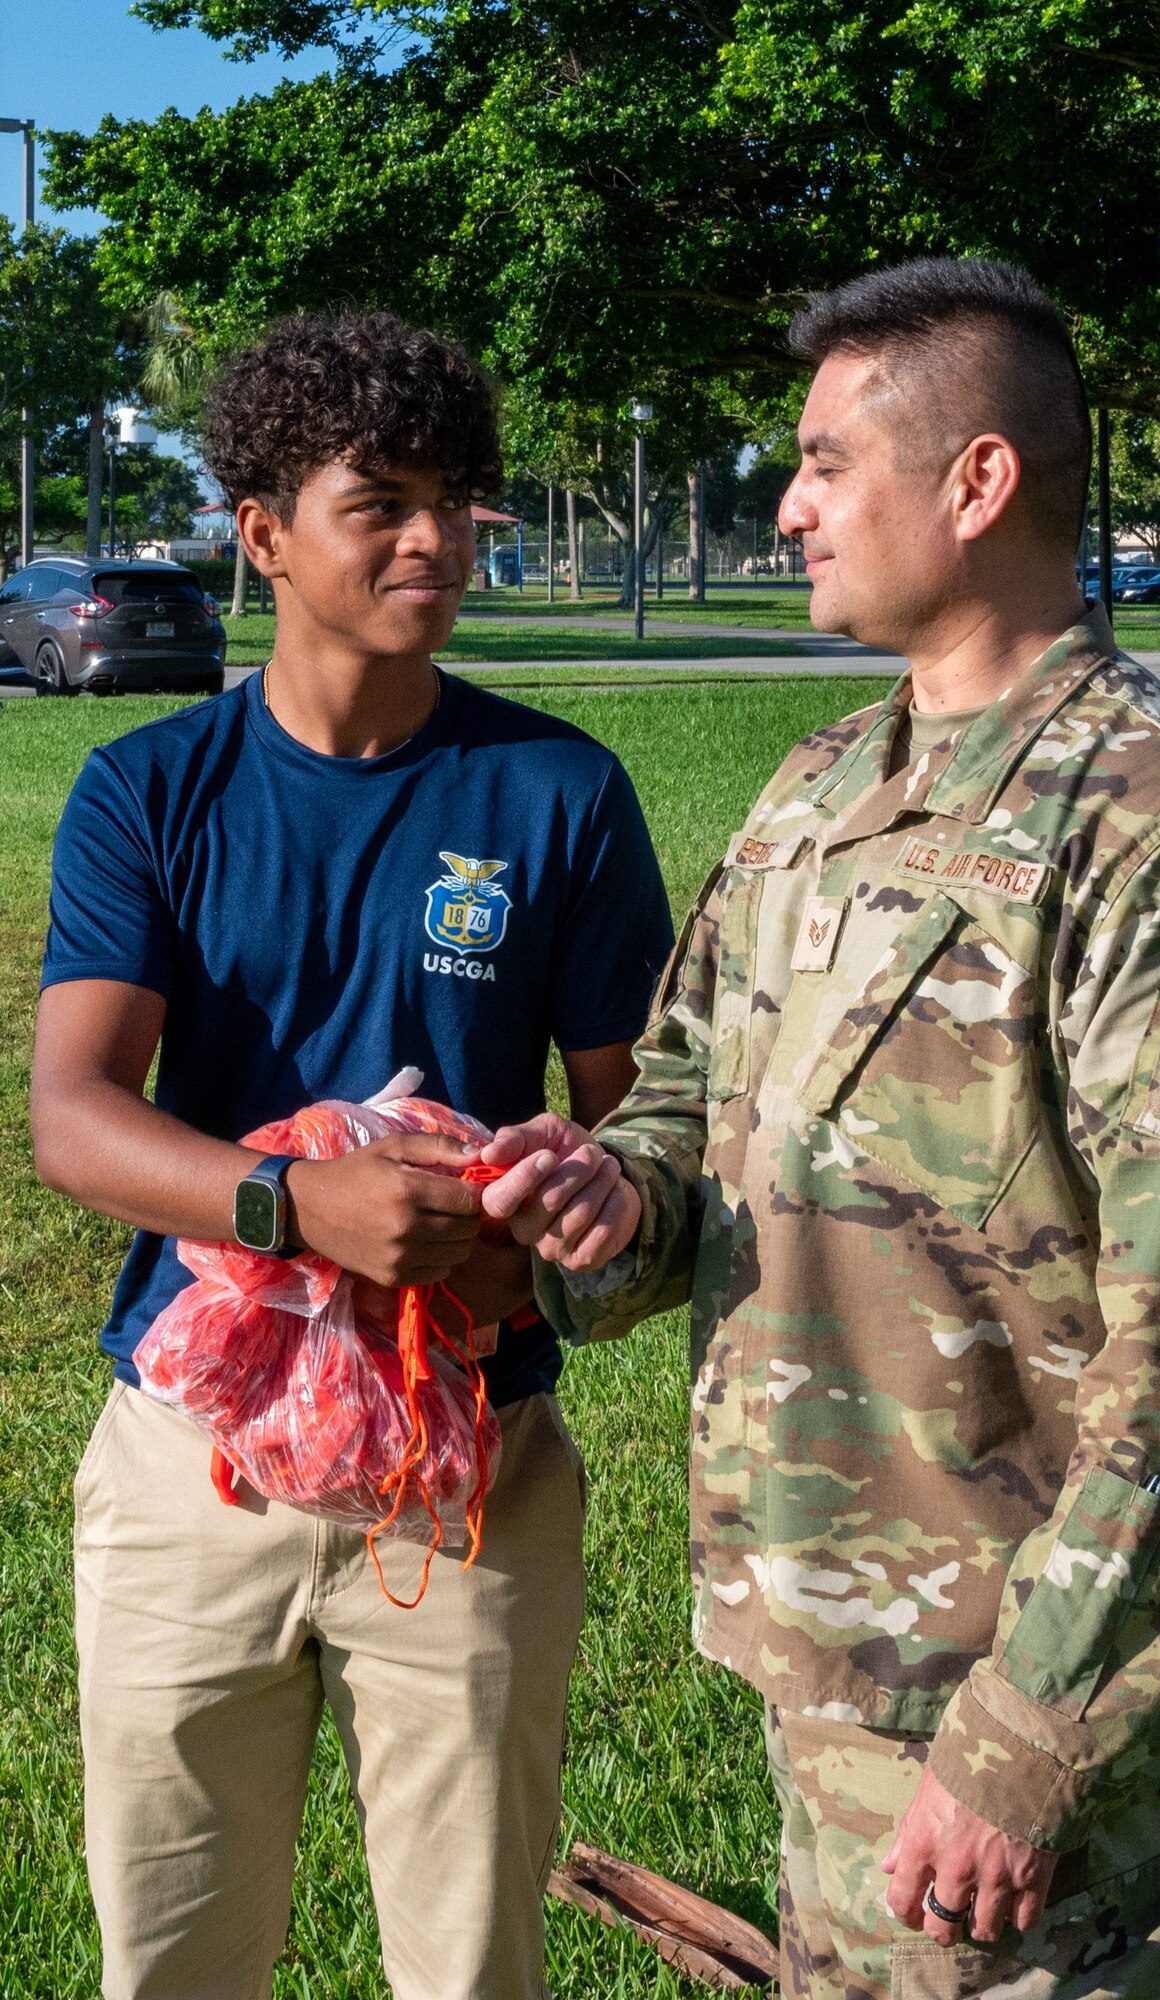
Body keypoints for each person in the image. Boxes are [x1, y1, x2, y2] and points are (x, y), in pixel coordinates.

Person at [476, 257, 1160, 1998]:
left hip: (1010, 1711)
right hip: (824, 1653)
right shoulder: (817, 795)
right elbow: (685, 1100)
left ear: (978, 480)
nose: (786, 507)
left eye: (822, 464)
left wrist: (1031, 1738)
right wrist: (604, 1196)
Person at [30, 309, 674, 2000]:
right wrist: (291, 1203)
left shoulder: (561, 793)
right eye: (379, 500)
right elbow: (74, 1116)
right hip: (197, 1463)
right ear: (262, 535)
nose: (435, 540)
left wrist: (549, 1206)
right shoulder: (149, 791)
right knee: (172, 1961)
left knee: (470, 1968)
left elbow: (641, 1128)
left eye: (457, 498)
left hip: (472, 1467)